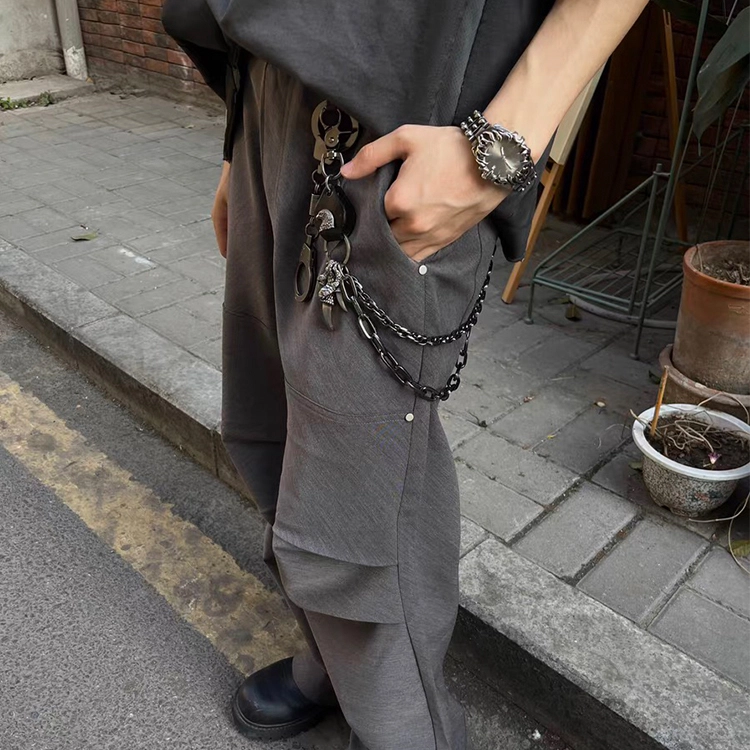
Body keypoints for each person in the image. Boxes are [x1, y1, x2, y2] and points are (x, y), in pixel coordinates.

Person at [162, 2, 649, 748]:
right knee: (270, 426)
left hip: (403, 126)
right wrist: (241, 139)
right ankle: (336, 663)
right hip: (265, 85)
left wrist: (506, 139)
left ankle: (403, 729)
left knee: (363, 488)